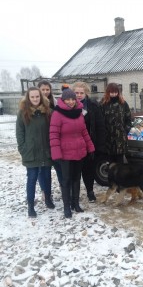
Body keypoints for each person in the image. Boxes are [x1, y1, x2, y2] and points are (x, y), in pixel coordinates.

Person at [49, 89, 95, 218]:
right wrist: (56, 153)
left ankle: (75, 203)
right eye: (68, 99)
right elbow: (53, 135)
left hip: (79, 151)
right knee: (66, 180)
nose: (70, 102)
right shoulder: (57, 114)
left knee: (76, 178)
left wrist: (90, 147)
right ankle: (66, 206)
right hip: (65, 154)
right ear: (63, 100)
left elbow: (84, 132)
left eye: (73, 99)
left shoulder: (79, 113)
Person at [16, 87, 55, 218]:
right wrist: (23, 149)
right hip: (31, 153)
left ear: (41, 97)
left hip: (46, 151)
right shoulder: (23, 113)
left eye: (37, 96)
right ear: (28, 98)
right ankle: (31, 206)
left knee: (47, 176)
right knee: (32, 179)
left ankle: (48, 199)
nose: (35, 99)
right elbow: (20, 133)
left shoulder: (48, 112)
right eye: (32, 97)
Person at [72, 82, 106, 202]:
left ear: (86, 93)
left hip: (89, 144)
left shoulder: (92, 106)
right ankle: (74, 195)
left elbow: (100, 126)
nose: (79, 95)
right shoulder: (69, 106)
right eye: (77, 93)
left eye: (82, 93)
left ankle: (90, 191)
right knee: (75, 172)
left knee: (88, 170)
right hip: (73, 145)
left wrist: (100, 146)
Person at [37, 80, 63, 198]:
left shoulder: (55, 103)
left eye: (47, 89)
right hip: (42, 141)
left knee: (60, 168)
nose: (46, 92)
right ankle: (45, 191)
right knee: (44, 170)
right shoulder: (34, 103)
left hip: (54, 140)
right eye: (43, 89)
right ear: (39, 90)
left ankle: (65, 189)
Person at [100, 83, 132, 164]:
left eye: (115, 92)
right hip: (108, 139)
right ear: (108, 92)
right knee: (110, 163)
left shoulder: (123, 103)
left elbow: (128, 119)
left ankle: (119, 177)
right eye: (111, 92)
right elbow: (99, 120)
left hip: (120, 139)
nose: (114, 94)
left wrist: (125, 131)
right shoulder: (103, 104)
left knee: (120, 163)